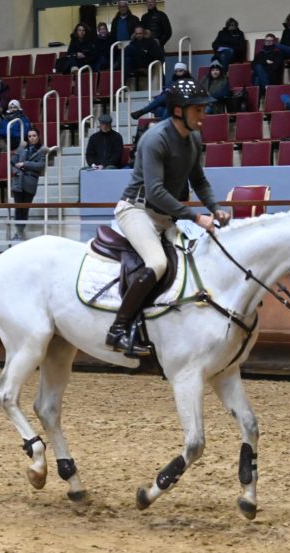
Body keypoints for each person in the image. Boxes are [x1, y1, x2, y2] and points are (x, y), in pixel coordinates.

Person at [110, 79, 228, 356]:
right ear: (178, 111)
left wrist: (215, 207)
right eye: (198, 110)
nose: (203, 116)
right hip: (137, 210)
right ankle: (119, 328)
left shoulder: (194, 138)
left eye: (203, 110)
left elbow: (199, 180)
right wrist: (197, 218)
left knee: (192, 261)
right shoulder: (155, 139)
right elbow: (156, 191)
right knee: (157, 263)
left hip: (165, 217)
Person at [10, 129, 49, 240]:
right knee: (18, 208)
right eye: (30, 136)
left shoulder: (42, 150)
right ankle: (18, 232)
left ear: (38, 136)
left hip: (30, 183)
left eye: (34, 135)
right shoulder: (22, 148)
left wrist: (24, 164)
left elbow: (40, 165)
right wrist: (17, 170)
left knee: (25, 208)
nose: (32, 137)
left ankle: (20, 231)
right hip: (18, 181)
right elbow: (13, 161)